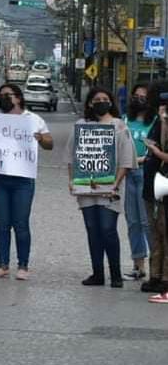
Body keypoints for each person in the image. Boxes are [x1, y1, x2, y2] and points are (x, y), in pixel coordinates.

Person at [69, 87, 136, 289]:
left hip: (110, 188)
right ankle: (97, 273)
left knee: (108, 229)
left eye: (105, 99)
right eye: (97, 99)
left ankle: (115, 274)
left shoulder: (119, 126)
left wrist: (115, 184)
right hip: (86, 188)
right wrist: (72, 180)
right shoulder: (81, 126)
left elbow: (126, 160)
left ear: (111, 102)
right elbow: (72, 157)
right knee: (92, 229)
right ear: (90, 103)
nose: (101, 102)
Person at [0, 83, 54, 280]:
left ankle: (23, 265)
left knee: (21, 223)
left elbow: (50, 144)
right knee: (2, 224)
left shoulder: (33, 119)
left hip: (23, 179)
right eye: (0, 96)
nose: (3, 99)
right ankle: (3, 264)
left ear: (18, 97)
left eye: (6, 95)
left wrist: (40, 138)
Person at [140, 83, 168, 300]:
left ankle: (165, 278)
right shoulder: (158, 122)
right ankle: (155, 275)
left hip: (164, 185)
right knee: (154, 232)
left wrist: (156, 152)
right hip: (152, 185)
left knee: (164, 232)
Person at [124, 83, 153, 281]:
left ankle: (158, 267)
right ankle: (138, 265)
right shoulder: (125, 121)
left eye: (143, 96)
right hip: (127, 174)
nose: (139, 99)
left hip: (146, 173)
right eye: (136, 96)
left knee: (147, 222)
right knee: (133, 222)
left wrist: (138, 160)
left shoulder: (156, 122)